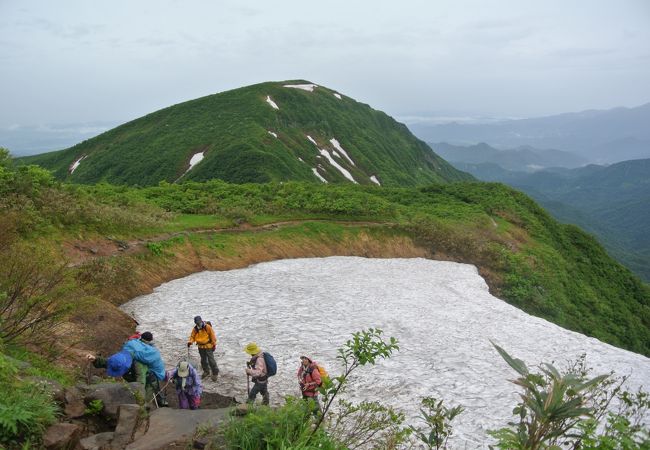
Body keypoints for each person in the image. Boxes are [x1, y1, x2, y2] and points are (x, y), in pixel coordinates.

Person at [88, 331, 168, 407]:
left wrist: (139, 400)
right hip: (133, 377)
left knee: (145, 402)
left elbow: (141, 383)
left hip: (149, 380)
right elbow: (109, 362)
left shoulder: (138, 365)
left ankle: (147, 413)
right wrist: (95, 359)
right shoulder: (121, 358)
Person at [187, 316, 219, 382]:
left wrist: (214, 345)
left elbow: (213, 336)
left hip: (208, 346)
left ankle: (215, 373)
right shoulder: (195, 329)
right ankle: (206, 371)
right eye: (196, 323)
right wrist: (190, 342)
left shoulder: (207, 327)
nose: (198, 324)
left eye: (199, 322)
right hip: (200, 347)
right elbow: (192, 336)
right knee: (203, 360)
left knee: (211, 360)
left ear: (201, 321)